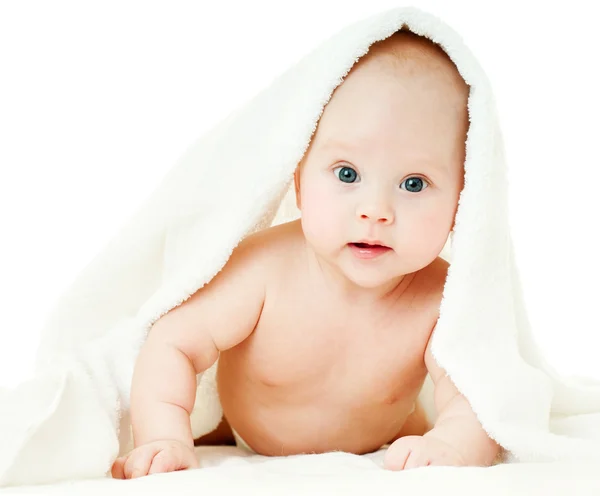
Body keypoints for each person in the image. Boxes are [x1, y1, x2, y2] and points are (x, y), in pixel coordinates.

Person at [111, 29, 500, 480]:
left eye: (414, 183)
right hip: (242, 433)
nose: (375, 211)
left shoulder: (441, 298)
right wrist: (164, 436)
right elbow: (173, 342)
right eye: (348, 173)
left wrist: (452, 442)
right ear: (299, 181)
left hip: (384, 440)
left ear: (463, 201)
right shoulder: (264, 270)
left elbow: (478, 393)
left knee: (429, 426)